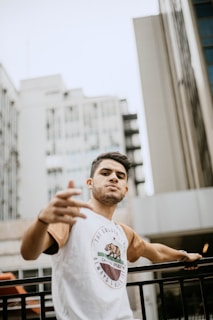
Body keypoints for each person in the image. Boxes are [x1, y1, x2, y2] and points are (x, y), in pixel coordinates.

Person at [21, 151, 202, 320]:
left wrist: (183, 255)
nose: (113, 178)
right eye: (105, 173)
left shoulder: (122, 232)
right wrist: (42, 221)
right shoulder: (71, 215)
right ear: (90, 183)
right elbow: (29, 253)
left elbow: (155, 251)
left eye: (120, 176)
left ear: (125, 189)